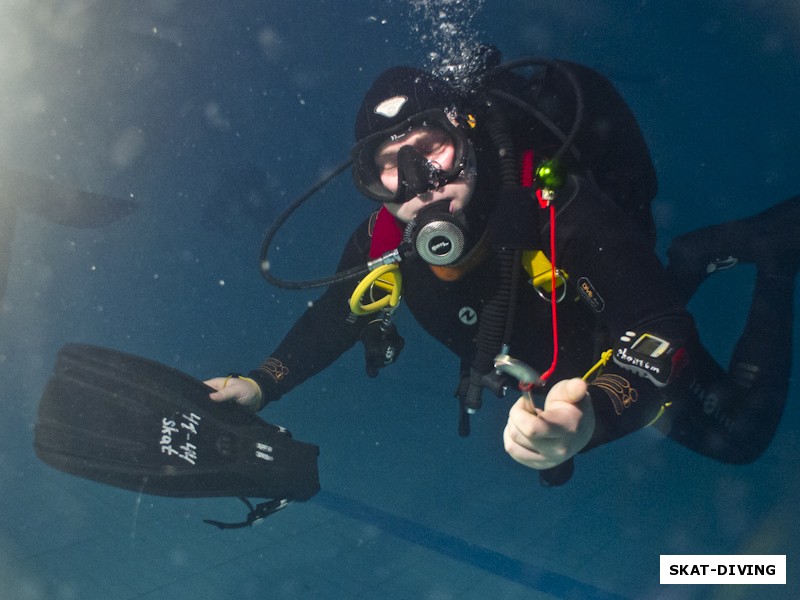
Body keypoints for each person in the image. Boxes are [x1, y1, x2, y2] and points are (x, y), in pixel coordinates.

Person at [205, 54, 798, 484]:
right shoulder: (380, 245)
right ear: (370, 184)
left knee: (739, 438)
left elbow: (661, 329)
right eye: (390, 165)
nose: (419, 181)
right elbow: (336, 318)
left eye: (430, 148)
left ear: (466, 140)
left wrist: (596, 415)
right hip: (560, 356)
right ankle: (692, 258)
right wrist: (261, 382)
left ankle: (775, 261)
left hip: (605, 348)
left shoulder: (552, 206)